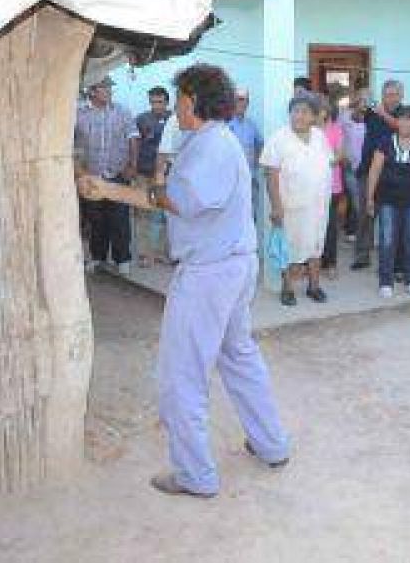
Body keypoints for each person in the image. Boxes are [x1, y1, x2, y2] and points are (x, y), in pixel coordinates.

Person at [76, 64, 290, 497]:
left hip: (210, 272)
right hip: (231, 265)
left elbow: (178, 201)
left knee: (181, 373)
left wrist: (111, 190)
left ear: (193, 100)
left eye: (180, 98)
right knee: (238, 355)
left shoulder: (211, 145)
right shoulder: (211, 141)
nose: (176, 106)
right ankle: (271, 445)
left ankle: (196, 474)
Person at [261, 93, 332, 306]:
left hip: (318, 206)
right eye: (295, 111)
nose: (298, 116)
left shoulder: (319, 137)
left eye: (304, 112)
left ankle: (314, 286)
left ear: (313, 116)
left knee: (316, 245)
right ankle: (288, 288)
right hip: (291, 206)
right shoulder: (278, 139)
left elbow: (328, 161)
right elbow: (270, 174)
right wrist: (276, 207)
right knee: (289, 247)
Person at [366, 105, 410, 298]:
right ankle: (385, 281)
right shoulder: (386, 141)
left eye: (409, 119)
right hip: (387, 199)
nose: (404, 123)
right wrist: (370, 197)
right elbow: (374, 170)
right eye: (401, 119)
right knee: (387, 240)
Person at [74, 76, 140, 275]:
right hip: (91, 175)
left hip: (118, 173)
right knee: (96, 219)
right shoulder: (79, 115)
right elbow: (72, 144)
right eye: (105, 88)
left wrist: (132, 164)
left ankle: (123, 259)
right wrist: (79, 170)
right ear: (92, 91)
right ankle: (98, 258)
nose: (110, 91)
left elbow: (133, 137)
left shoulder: (122, 112)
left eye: (110, 87)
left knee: (120, 218)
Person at [353, 80, 404, 270]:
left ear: (401, 96)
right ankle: (362, 255)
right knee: (365, 215)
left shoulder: (406, 113)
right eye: (386, 95)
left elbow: (401, 127)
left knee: (390, 217)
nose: (389, 98)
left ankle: (389, 258)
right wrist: (361, 104)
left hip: (392, 174)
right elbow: (356, 118)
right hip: (366, 170)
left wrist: (383, 113)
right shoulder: (372, 112)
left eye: (393, 95)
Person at [133, 86, 174, 267]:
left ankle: (163, 252)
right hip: (144, 172)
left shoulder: (175, 119)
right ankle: (144, 254)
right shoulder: (141, 120)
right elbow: (134, 144)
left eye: (159, 102)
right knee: (143, 212)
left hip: (168, 175)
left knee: (167, 214)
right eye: (153, 102)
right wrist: (133, 168)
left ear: (166, 102)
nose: (156, 105)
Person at [228, 87, 264, 223]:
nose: (241, 103)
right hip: (230, 183)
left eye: (244, 100)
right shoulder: (224, 125)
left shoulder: (251, 125)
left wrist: (256, 166)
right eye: (238, 99)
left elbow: (260, 144)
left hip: (249, 180)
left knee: (249, 220)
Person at [320, 95, 346, 276]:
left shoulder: (336, 130)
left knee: (329, 227)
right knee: (312, 226)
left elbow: (341, 155)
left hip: (332, 186)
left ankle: (330, 263)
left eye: (322, 107)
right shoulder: (310, 130)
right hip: (311, 187)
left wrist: (323, 163)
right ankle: (312, 263)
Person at [341, 88, 368, 241]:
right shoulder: (345, 116)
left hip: (367, 167)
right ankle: (359, 233)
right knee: (356, 200)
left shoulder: (372, 117)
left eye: (367, 99)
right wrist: (343, 156)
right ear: (357, 100)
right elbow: (340, 136)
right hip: (350, 166)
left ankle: (359, 232)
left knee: (362, 200)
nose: (364, 102)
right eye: (362, 99)